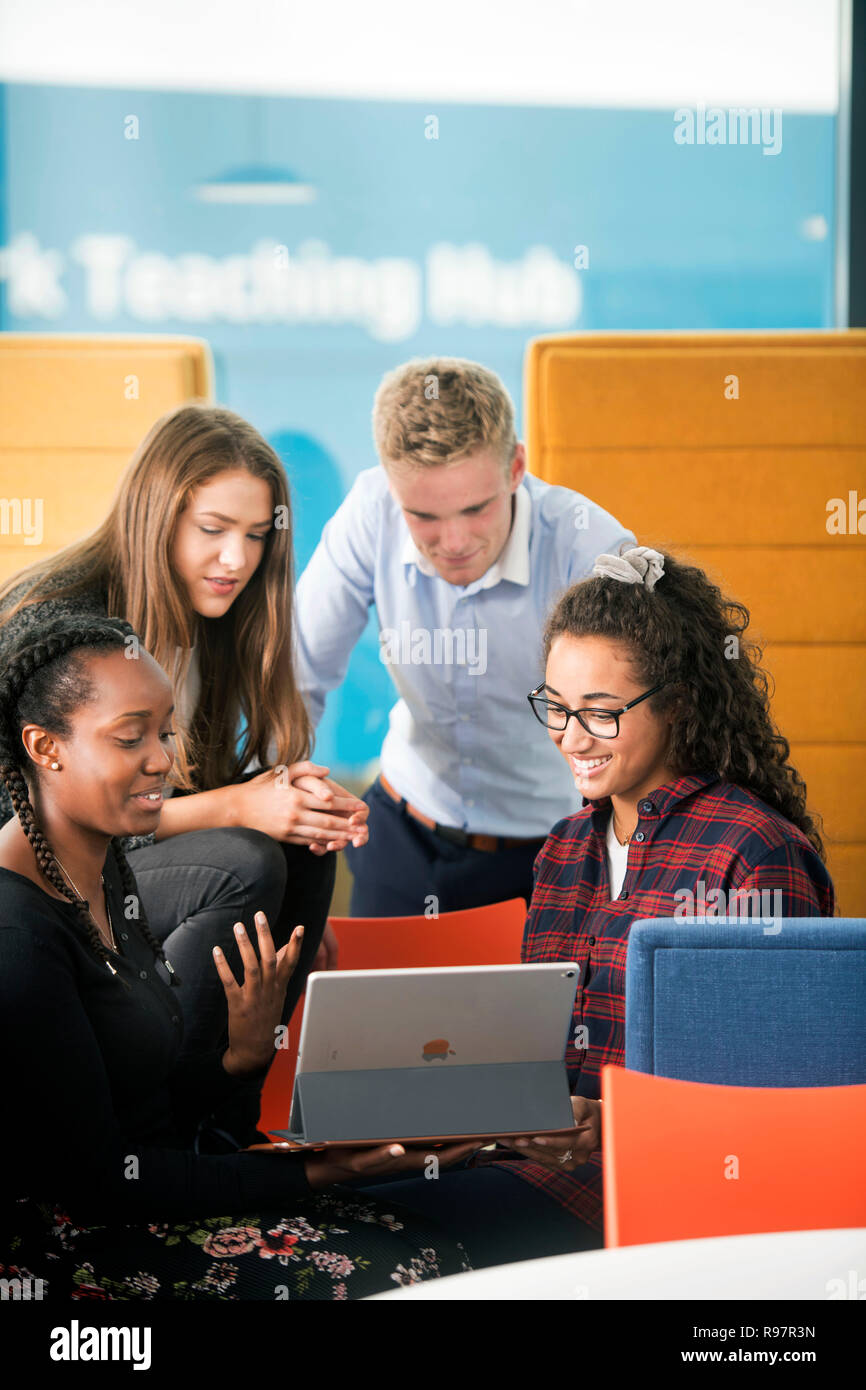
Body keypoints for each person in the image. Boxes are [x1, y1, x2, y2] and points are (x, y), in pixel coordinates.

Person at [352, 545, 835, 1249]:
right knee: (326, 1205)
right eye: (555, 706)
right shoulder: (563, 849)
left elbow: (784, 1105)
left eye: (600, 713)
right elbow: (537, 1060)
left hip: (660, 1201)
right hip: (519, 1172)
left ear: (677, 702)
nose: (570, 737)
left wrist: (611, 1120)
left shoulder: (753, 852)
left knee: (358, 1243)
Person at [0, 619, 487, 1300]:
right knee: (403, 1272)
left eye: (164, 732)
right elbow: (105, 1184)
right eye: (129, 736)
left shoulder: (101, 870)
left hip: (133, 1204)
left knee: (438, 1242)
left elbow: (147, 1114)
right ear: (44, 748)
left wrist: (243, 1056)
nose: (162, 759)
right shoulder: (18, 933)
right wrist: (322, 1170)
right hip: (63, 1245)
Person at [0, 404, 369, 1147]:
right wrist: (239, 807)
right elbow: (28, 825)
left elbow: (178, 792)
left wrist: (297, 874)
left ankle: (224, 1127)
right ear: (155, 517)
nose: (237, 558)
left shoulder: (220, 621)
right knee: (242, 859)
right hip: (34, 877)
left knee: (296, 845)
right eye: (213, 530)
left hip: (122, 862)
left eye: (257, 536)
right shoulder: (56, 616)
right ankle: (164, 1138)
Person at [294, 357, 635, 916]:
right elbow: (297, 676)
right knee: (377, 1005)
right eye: (423, 515)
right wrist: (288, 798)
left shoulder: (589, 546)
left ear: (516, 467)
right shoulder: (370, 508)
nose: (453, 541)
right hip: (404, 831)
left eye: (475, 509)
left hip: (556, 849)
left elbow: (648, 717)